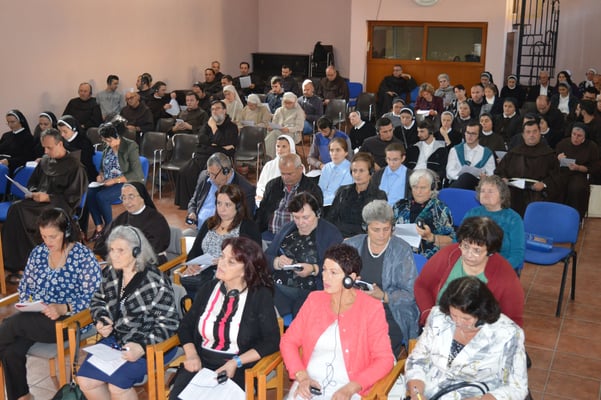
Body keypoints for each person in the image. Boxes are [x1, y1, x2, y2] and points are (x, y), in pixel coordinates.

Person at [0, 208, 101, 400]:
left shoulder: (83, 257)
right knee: (11, 350)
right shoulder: (38, 253)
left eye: (53, 236)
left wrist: (65, 307)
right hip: (37, 317)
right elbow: (25, 287)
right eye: (44, 236)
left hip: (71, 320)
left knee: (12, 324)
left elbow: (95, 297)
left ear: (67, 232)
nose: (48, 241)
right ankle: (22, 396)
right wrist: (31, 303)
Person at [280, 244, 394, 399]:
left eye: (333, 272)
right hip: (309, 382)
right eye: (324, 270)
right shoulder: (314, 300)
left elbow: (384, 359)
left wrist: (351, 388)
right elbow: (288, 341)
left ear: (351, 278)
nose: (325, 277)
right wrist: (302, 376)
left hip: (350, 387)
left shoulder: (371, 308)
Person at [77, 226, 179, 399]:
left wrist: (142, 347)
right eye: (112, 250)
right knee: (84, 380)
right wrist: (101, 319)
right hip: (118, 340)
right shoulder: (110, 273)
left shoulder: (154, 281)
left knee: (117, 385)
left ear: (136, 251)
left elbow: (168, 323)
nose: (114, 255)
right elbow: (98, 300)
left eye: (121, 250)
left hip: (150, 343)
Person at [169, 237, 280, 395]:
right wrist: (192, 355)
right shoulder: (208, 288)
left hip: (239, 368)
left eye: (231, 262)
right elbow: (185, 326)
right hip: (201, 362)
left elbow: (272, 341)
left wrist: (236, 362)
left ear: (246, 270)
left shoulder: (259, 296)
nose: (221, 263)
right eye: (222, 256)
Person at [405, 276, 528, 400]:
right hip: (429, 393)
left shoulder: (507, 334)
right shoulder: (438, 317)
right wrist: (417, 394)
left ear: (482, 313)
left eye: (466, 318)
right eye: (454, 315)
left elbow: (517, 387)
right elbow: (417, 360)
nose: (458, 322)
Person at [2, 128, 87, 283]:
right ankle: (11, 262)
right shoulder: (45, 161)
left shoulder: (75, 166)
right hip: (39, 203)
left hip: (60, 207)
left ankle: (26, 265)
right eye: (44, 148)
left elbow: (73, 199)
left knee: (21, 213)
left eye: (49, 147)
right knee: (15, 208)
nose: (45, 152)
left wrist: (48, 197)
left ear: (60, 144)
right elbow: (33, 183)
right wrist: (34, 193)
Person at [415, 216, 524, 327]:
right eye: (465, 246)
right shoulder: (448, 255)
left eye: (477, 250)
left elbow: (513, 320)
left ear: (490, 251)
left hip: (480, 331)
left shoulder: (504, 274)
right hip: (440, 323)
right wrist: (428, 315)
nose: (468, 254)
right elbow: (422, 285)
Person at [345, 200, 419, 352]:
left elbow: (411, 294)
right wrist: (349, 282)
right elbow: (334, 278)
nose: (382, 235)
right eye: (376, 229)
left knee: (375, 350)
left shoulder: (401, 250)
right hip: (355, 307)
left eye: (386, 229)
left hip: (390, 312)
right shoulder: (352, 245)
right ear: (366, 227)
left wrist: (384, 296)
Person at [266, 192, 343, 317]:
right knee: (260, 307)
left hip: (310, 291)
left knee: (302, 318)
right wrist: (277, 262)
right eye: (296, 217)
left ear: (317, 214)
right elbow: (265, 258)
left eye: (305, 217)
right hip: (279, 287)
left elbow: (339, 267)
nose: (300, 222)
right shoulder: (288, 229)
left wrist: (314, 269)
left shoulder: (330, 234)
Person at [180, 184, 261, 298]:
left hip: (232, 277)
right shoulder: (209, 223)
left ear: (238, 206)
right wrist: (192, 265)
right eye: (219, 203)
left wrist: (227, 261)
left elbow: (255, 259)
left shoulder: (248, 227)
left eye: (227, 205)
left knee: (206, 291)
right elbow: (195, 251)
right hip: (204, 273)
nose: (222, 209)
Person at [174, 100, 239, 208]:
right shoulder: (207, 125)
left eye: (218, 108)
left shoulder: (231, 127)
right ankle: (190, 203)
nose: (215, 111)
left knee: (207, 174)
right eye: (213, 109)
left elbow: (224, 142)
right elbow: (202, 139)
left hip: (220, 158)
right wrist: (217, 144)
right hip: (203, 155)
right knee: (185, 172)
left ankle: (205, 201)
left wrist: (214, 129)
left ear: (224, 111)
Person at [87, 119, 144, 241]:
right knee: (89, 194)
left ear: (117, 136)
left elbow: (136, 173)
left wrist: (114, 181)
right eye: (105, 140)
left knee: (102, 197)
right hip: (108, 182)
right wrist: (101, 175)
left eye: (109, 140)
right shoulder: (108, 147)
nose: (107, 143)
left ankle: (110, 228)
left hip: (125, 182)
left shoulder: (130, 146)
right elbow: (102, 167)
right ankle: (99, 227)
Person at [495, 120, 561, 216]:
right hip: (513, 189)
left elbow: (556, 176)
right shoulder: (513, 153)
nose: (532, 135)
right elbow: (499, 171)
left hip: (536, 191)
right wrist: (503, 178)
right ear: (523, 135)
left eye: (535, 131)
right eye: (528, 132)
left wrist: (544, 184)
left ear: (540, 133)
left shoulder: (549, 154)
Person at [94, 182, 170, 262]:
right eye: (124, 198)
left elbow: (150, 250)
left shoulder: (156, 220)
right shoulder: (121, 218)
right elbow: (103, 240)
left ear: (142, 197)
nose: (127, 202)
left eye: (131, 197)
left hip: (149, 263)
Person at [464, 176, 525, 272]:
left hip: (500, 266)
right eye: (482, 191)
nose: (485, 194)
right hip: (471, 263)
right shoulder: (472, 213)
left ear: (502, 195)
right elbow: (458, 240)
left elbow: (517, 254)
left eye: (490, 191)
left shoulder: (513, 219)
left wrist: (498, 268)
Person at [255, 154, 323, 237]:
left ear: (300, 169)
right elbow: (262, 211)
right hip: (268, 233)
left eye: (289, 174)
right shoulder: (273, 185)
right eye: (282, 173)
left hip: (296, 237)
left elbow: (317, 218)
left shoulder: (312, 189)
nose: (285, 177)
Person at [393, 169, 455, 259]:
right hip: (399, 255)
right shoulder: (400, 205)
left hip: (427, 259)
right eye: (415, 187)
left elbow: (452, 241)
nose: (418, 191)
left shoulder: (440, 209)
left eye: (423, 188)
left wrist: (431, 237)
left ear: (431, 188)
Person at [184, 152, 255, 231]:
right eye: (209, 173)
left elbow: (244, 223)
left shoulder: (246, 190)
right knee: (180, 236)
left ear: (226, 172)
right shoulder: (204, 177)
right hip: (197, 229)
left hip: (224, 234)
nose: (210, 178)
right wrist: (192, 213)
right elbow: (194, 201)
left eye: (213, 174)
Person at [326, 152, 387, 238]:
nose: (357, 175)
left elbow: (375, 227)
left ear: (371, 172)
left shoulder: (379, 196)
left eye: (361, 171)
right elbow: (330, 219)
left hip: (364, 240)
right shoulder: (343, 192)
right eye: (354, 171)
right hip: (339, 238)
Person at [556, 123, 600, 219]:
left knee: (576, 188)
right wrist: (558, 158)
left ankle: (574, 217)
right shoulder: (563, 143)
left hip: (580, 175)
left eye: (579, 136)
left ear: (584, 137)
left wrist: (579, 167)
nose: (575, 138)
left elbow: (594, 167)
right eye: (574, 134)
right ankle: (557, 215)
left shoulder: (591, 147)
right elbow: (553, 161)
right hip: (563, 173)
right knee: (555, 186)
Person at [445, 122, 495, 190]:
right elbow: (449, 172)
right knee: (465, 177)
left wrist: (485, 177)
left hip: (477, 185)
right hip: (457, 182)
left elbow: (491, 175)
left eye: (473, 133)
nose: (469, 136)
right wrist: (462, 178)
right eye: (467, 133)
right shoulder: (455, 150)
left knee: (466, 177)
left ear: (479, 135)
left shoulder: (487, 153)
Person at [57, 114, 97, 183]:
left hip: (85, 176)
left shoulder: (84, 142)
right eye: (60, 131)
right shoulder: (62, 141)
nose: (62, 135)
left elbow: (84, 164)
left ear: (74, 129)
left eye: (65, 131)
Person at [256, 135, 297, 201]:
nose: (280, 149)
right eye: (278, 146)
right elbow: (261, 186)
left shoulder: (297, 166)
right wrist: (262, 196)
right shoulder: (269, 165)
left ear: (291, 148)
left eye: (284, 146)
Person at [265, 92, 305, 159]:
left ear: (294, 103)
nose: (287, 105)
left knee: (275, 136)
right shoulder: (279, 110)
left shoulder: (299, 111)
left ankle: (274, 157)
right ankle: (271, 157)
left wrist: (288, 129)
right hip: (278, 131)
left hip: (293, 133)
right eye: (285, 102)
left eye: (289, 103)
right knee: (271, 135)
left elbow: (299, 127)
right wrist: (271, 127)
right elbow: (274, 123)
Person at [318, 137, 353, 206]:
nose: (334, 153)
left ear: (346, 153)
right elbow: (320, 189)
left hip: (338, 205)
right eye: (331, 150)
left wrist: (322, 202)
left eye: (338, 150)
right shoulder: (326, 167)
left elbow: (342, 195)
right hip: (321, 203)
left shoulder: (350, 169)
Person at [1, 109, 36, 173]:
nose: (10, 125)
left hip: (16, 169)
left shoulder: (27, 137)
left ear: (20, 121)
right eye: (8, 122)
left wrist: (9, 162)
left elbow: (28, 157)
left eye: (12, 122)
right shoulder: (5, 135)